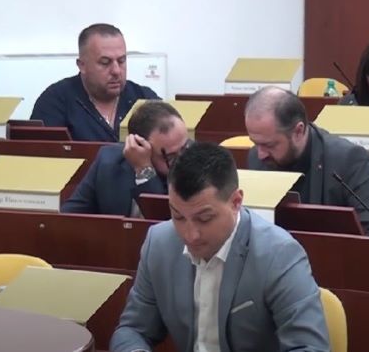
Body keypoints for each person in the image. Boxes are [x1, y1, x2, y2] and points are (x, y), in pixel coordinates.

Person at [110, 142, 330, 352]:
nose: (190, 235)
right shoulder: (159, 243)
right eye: (178, 216)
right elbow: (132, 330)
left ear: (236, 202)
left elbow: (310, 347)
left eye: (205, 219)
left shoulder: (279, 254)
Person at [245, 86, 369, 238]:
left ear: (298, 131)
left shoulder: (350, 160)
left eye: (269, 145)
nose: (260, 154)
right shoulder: (257, 158)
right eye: (255, 143)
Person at [30, 23, 160, 142]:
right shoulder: (55, 102)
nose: (116, 71)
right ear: (82, 65)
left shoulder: (144, 98)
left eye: (121, 61)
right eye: (105, 62)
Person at [61, 101, 190, 216]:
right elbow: (70, 216)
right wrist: (142, 166)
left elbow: (162, 219)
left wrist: (144, 170)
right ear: (139, 146)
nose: (182, 160)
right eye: (170, 157)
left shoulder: (195, 168)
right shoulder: (108, 161)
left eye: (185, 148)